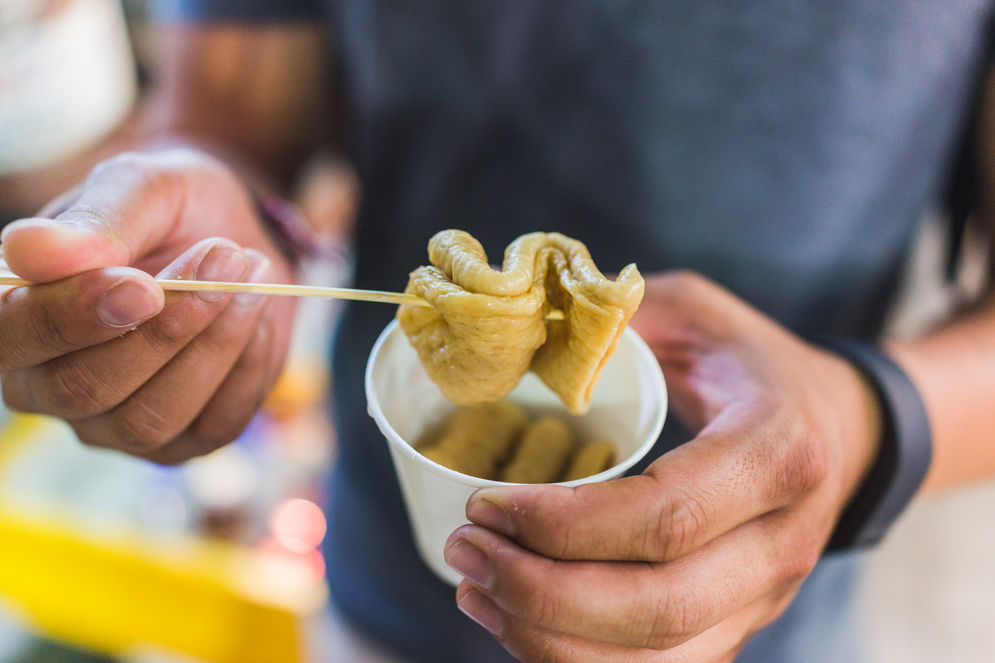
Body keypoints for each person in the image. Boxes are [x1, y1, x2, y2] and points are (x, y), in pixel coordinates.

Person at [2, 2, 995, 661]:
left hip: (766, 619)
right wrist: (213, 232)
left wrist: (864, 422)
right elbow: (231, 114)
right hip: (380, 595)